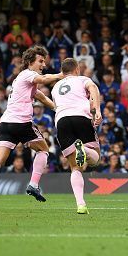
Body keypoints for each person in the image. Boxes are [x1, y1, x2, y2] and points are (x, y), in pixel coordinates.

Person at [0, 46, 63, 202]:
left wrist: (59, 109)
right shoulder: (28, 74)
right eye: (40, 61)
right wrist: (62, 75)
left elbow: (42, 98)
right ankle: (33, 184)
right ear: (30, 62)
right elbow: (43, 80)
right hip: (22, 124)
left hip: (6, 124)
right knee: (43, 150)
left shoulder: (22, 81)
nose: (43, 65)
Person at [51, 58, 102, 214]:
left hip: (61, 121)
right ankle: (85, 151)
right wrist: (97, 110)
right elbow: (93, 88)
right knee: (96, 159)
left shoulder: (55, 87)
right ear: (76, 69)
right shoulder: (82, 79)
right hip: (81, 117)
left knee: (75, 167)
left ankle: (81, 205)